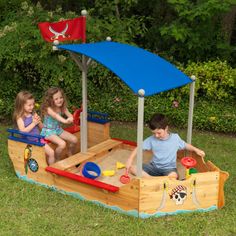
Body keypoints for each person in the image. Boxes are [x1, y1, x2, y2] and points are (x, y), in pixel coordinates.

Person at [126, 113, 205, 179]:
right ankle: (152, 179)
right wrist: (130, 159)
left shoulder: (175, 138)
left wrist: (196, 150)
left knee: (174, 176)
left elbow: (185, 145)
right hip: (153, 167)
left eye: (159, 133)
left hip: (169, 169)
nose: (156, 135)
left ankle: (152, 179)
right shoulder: (151, 139)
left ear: (166, 128)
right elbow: (139, 147)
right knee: (132, 168)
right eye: (154, 133)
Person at [13, 91, 55, 165]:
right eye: (29, 105)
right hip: (27, 142)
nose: (32, 107)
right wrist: (33, 123)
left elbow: (42, 128)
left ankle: (51, 169)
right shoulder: (19, 117)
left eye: (33, 104)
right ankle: (51, 170)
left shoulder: (33, 113)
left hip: (37, 139)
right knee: (49, 153)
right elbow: (22, 131)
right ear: (21, 105)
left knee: (51, 152)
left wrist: (38, 121)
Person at [40, 87, 78, 161]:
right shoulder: (48, 108)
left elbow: (70, 115)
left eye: (61, 97)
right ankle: (57, 158)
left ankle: (69, 153)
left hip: (58, 129)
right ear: (51, 100)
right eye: (56, 99)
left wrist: (72, 118)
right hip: (48, 132)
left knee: (75, 139)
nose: (59, 100)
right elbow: (55, 116)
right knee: (62, 144)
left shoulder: (62, 107)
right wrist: (65, 121)